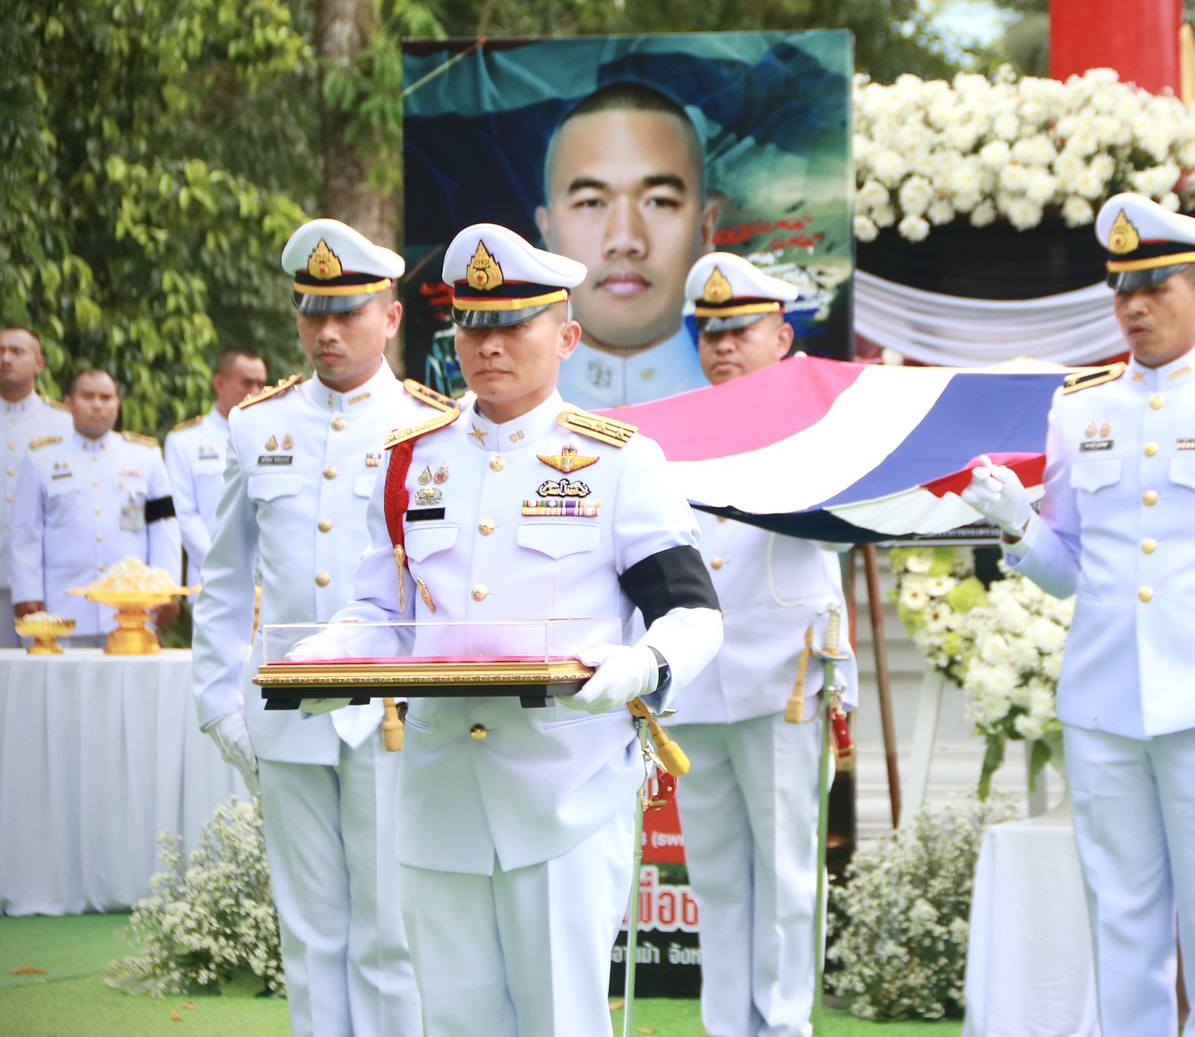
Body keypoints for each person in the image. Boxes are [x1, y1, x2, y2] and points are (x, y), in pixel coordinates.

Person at [301, 223, 722, 1037]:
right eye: (472, 324)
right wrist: (325, 659)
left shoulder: (619, 460)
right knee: (454, 1019)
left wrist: (642, 664)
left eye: (511, 324)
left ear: (565, 336)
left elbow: (693, 611)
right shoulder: (407, 459)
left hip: (562, 788)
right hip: (440, 789)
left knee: (561, 1019)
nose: (487, 343)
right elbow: (384, 610)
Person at [961, 193, 1195, 1035]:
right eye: (1121, 287)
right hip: (1105, 703)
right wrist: (1017, 528)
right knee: (1122, 929)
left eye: (1156, 286)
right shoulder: (1080, 406)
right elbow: (1075, 572)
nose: (1133, 305)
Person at [192, 219, 436, 1036]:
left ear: (391, 318)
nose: (326, 332)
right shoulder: (257, 425)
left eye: (348, 313)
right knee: (307, 927)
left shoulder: (431, 425)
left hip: (391, 713)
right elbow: (224, 577)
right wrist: (218, 703)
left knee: (390, 930)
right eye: (311, 312)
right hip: (285, 712)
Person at [665, 252, 857, 1036]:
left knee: (783, 870)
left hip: (784, 671)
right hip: (701, 676)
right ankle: (726, 1026)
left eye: (740, 329)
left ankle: (783, 1025)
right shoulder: (673, 427)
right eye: (708, 331)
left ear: (781, 335)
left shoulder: (819, 420)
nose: (721, 346)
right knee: (714, 876)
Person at [535, 81, 718, 408]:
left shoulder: (752, 410)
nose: (624, 240)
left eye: (659, 202)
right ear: (547, 234)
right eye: (591, 202)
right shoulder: (495, 421)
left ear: (705, 229)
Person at [10, 368, 179, 646]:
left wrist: (167, 590)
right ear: (69, 403)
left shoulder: (145, 456)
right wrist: (27, 594)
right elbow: (25, 532)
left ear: (117, 404)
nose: (98, 404)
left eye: (106, 397)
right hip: (61, 609)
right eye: (88, 396)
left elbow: (164, 527)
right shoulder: (41, 458)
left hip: (133, 610)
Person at [163, 348, 267, 586]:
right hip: (210, 579)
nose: (255, 392)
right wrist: (221, 567)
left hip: (269, 582)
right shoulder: (185, 441)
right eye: (247, 383)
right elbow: (184, 514)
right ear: (220, 383)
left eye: (261, 384)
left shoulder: (274, 438)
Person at [0, 327, 71, 646]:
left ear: (39, 363)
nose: (5, 358)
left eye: (17, 351)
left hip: (46, 582)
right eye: (1, 350)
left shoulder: (64, 423)